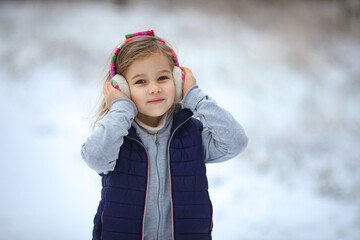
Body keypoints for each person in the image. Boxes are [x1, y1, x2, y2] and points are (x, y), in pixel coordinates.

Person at [81, 30, 248, 240]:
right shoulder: (116, 136)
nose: (154, 88)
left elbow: (236, 141)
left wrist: (194, 96)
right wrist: (121, 108)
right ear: (121, 88)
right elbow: (95, 157)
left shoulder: (191, 134)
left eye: (163, 78)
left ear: (177, 82)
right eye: (141, 82)